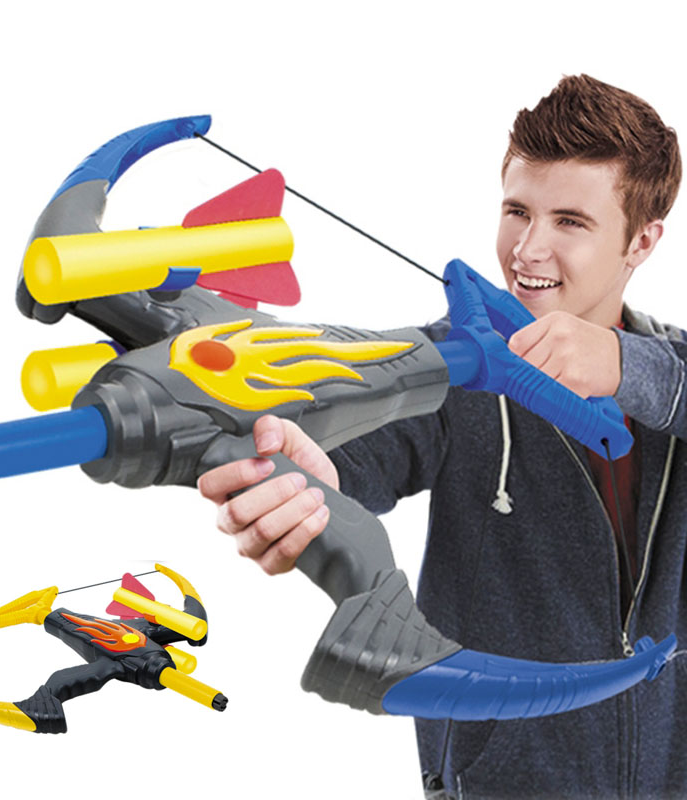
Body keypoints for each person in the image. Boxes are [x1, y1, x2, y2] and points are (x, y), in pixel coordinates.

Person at [198, 75, 686, 799]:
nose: (528, 249)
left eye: (569, 222)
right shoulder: (453, 364)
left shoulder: (668, 369)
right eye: (517, 211)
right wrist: (309, 479)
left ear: (641, 240)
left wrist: (621, 365)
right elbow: (360, 444)